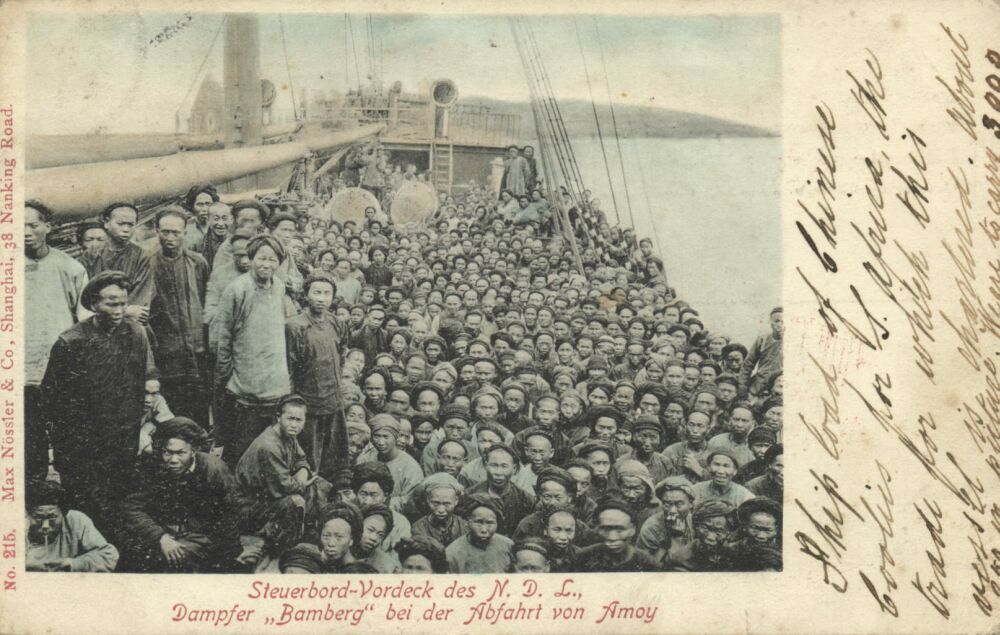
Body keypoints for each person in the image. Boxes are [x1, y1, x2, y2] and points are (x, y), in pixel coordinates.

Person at [40, 271, 155, 526]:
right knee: (84, 509)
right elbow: (50, 400)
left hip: (121, 442)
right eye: (111, 303)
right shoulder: (71, 343)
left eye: (123, 303)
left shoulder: (136, 333)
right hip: (81, 447)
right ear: (93, 304)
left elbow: (141, 381)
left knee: (119, 506)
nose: (118, 310)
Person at [121, 418, 248, 572]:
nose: (173, 460)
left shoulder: (214, 470)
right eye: (167, 452)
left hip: (199, 535)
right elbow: (132, 507)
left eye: (181, 453)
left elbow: (231, 512)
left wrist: (232, 553)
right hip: (161, 533)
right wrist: (160, 537)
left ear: (194, 450)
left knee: (179, 560)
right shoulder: (153, 467)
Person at [211, 235, 292, 466]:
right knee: (242, 444)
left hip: (274, 378)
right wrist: (226, 372)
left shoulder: (278, 286)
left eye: (273, 259)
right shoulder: (237, 289)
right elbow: (222, 336)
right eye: (261, 258)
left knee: (271, 443)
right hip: (245, 379)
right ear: (252, 258)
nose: (267, 265)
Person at [24, 200, 89, 481]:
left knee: (67, 437)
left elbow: (85, 321)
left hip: (60, 370)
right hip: (18, 371)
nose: (24, 231)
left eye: (32, 225)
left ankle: (69, 496)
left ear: (47, 227)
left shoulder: (69, 267)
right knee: (28, 440)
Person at [235, 395, 332, 554]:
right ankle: (286, 548)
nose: (294, 425)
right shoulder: (269, 445)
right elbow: (283, 486)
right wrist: (302, 482)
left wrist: (302, 473)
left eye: (299, 420)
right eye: (290, 418)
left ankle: (312, 532)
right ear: (278, 417)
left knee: (321, 485)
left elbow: (301, 459)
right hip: (250, 504)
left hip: (269, 493)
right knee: (296, 501)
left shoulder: (289, 436)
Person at [147, 206, 211, 424]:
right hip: (166, 355)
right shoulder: (147, 264)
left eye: (176, 232)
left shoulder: (197, 262)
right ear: (157, 231)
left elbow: (204, 301)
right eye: (165, 231)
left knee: (198, 411)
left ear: (185, 232)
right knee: (171, 414)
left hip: (196, 352)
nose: (170, 237)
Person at [286, 275, 348, 477]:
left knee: (333, 453)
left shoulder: (336, 323)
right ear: (306, 295)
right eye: (316, 292)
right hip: (309, 401)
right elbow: (289, 366)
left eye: (327, 293)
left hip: (333, 399)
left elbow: (341, 355)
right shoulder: (295, 326)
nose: (321, 298)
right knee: (309, 455)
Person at [26, 480, 119, 572]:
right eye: (38, 517)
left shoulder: (76, 520)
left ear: (63, 514)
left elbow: (108, 556)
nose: (45, 525)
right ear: (27, 514)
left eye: (52, 517)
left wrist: (72, 564)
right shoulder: (18, 525)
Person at [88, 202, 154, 322]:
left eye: (131, 225)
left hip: (129, 324)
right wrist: (126, 311)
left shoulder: (142, 256)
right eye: (120, 224)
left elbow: (139, 303)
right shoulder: (92, 254)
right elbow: (85, 296)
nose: (126, 229)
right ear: (107, 223)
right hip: (97, 321)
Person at [575, 495, 660, 572]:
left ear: (633, 529)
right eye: (606, 529)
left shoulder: (648, 564)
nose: (612, 537)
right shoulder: (581, 558)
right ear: (597, 528)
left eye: (620, 530)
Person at [279, 502, 363, 573]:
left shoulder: (358, 571)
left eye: (339, 537)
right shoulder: (314, 562)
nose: (331, 543)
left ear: (351, 539)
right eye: (326, 536)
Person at [445, 493, 514, 574]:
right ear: (467, 522)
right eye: (478, 522)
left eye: (490, 523)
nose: (484, 530)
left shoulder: (508, 545)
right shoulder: (453, 553)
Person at [637, 476, 696, 566]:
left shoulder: (694, 522)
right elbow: (648, 565)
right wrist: (674, 537)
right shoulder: (651, 528)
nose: (672, 510)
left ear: (690, 503)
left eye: (679, 504)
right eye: (667, 504)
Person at [740, 307, 783, 398]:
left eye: (783, 321)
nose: (780, 325)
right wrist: (742, 385)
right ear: (770, 322)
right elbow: (748, 364)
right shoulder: (762, 339)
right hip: (758, 386)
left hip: (779, 388)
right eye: (777, 321)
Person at [691, 449, 755, 507]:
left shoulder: (744, 496)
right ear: (708, 467)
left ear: (735, 471)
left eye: (726, 466)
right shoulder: (696, 491)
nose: (720, 471)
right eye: (716, 464)